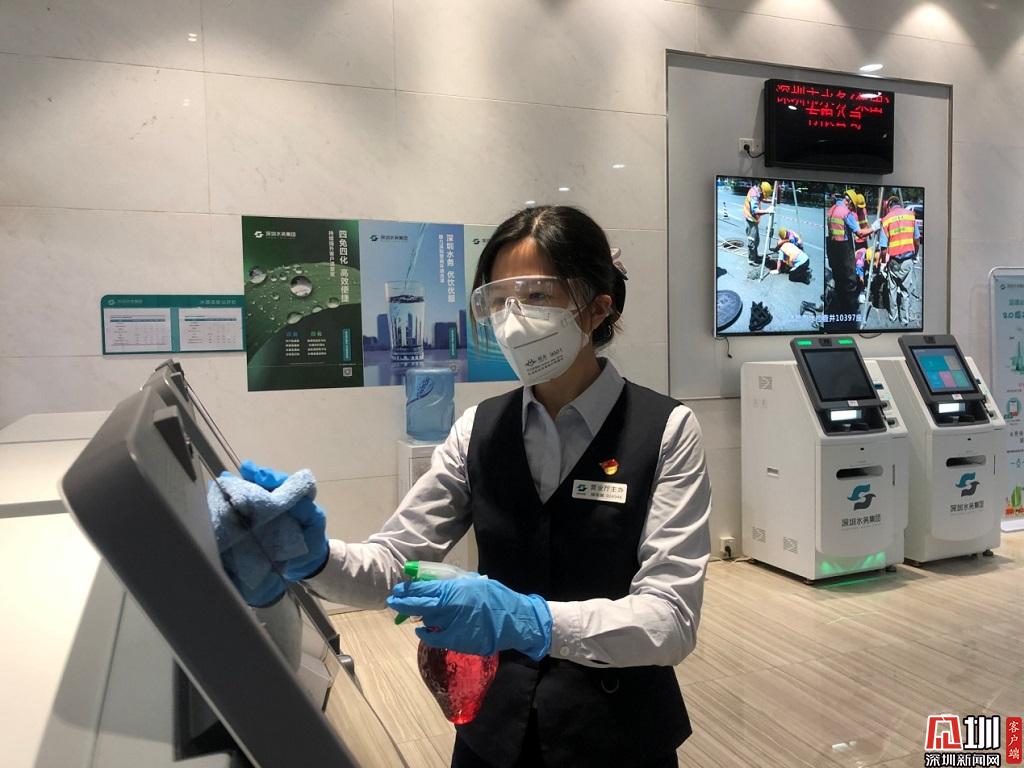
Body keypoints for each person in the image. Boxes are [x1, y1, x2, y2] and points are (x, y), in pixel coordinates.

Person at [209, 205, 713, 768]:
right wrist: (314, 558)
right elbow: (394, 562)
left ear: (597, 308)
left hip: (620, 734)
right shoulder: (478, 429)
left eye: (537, 295)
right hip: (495, 730)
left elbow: (670, 619)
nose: (514, 319)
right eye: (498, 300)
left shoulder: (666, 429)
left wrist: (531, 620)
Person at [825, 189, 876, 331]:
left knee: (838, 279)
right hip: (843, 249)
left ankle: (840, 307)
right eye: (853, 207)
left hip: (832, 247)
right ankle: (850, 312)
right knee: (850, 280)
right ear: (850, 203)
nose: (853, 210)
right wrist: (874, 227)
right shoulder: (846, 213)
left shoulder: (831, 209)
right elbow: (859, 233)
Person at [877, 196, 920, 323]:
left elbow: (883, 248)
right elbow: (917, 239)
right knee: (905, 291)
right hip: (907, 260)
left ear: (889, 206)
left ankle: (893, 316)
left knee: (892, 290)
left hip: (894, 262)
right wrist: (915, 254)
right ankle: (904, 319)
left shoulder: (886, 219)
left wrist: (883, 262)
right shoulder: (910, 216)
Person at [744, 180, 775, 264]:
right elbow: (755, 211)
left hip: (754, 220)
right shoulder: (754, 194)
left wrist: (770, 201)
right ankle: (751, 260)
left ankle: (755, 256)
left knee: (757, 240)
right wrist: (767, 211)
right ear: (762, 191)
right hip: (750, 220)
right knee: (752, 241)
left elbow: (761, 198)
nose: (763, 197)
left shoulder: (757, 190)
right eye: (764, 195)